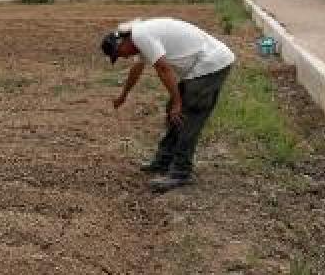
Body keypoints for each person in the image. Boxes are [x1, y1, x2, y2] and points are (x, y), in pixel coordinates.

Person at [101, 17, 235, 192]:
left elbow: (163, 69)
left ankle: (180, 172)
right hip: (200, 67)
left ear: (122, 41)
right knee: (173, 110)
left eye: (120, 53)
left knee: (187, 114)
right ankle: (163, 161)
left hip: (211, 64)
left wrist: (178, 102)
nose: (124, 56)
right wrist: (124, 95)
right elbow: (137, 69)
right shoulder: (139, 37)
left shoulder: (141, 35)